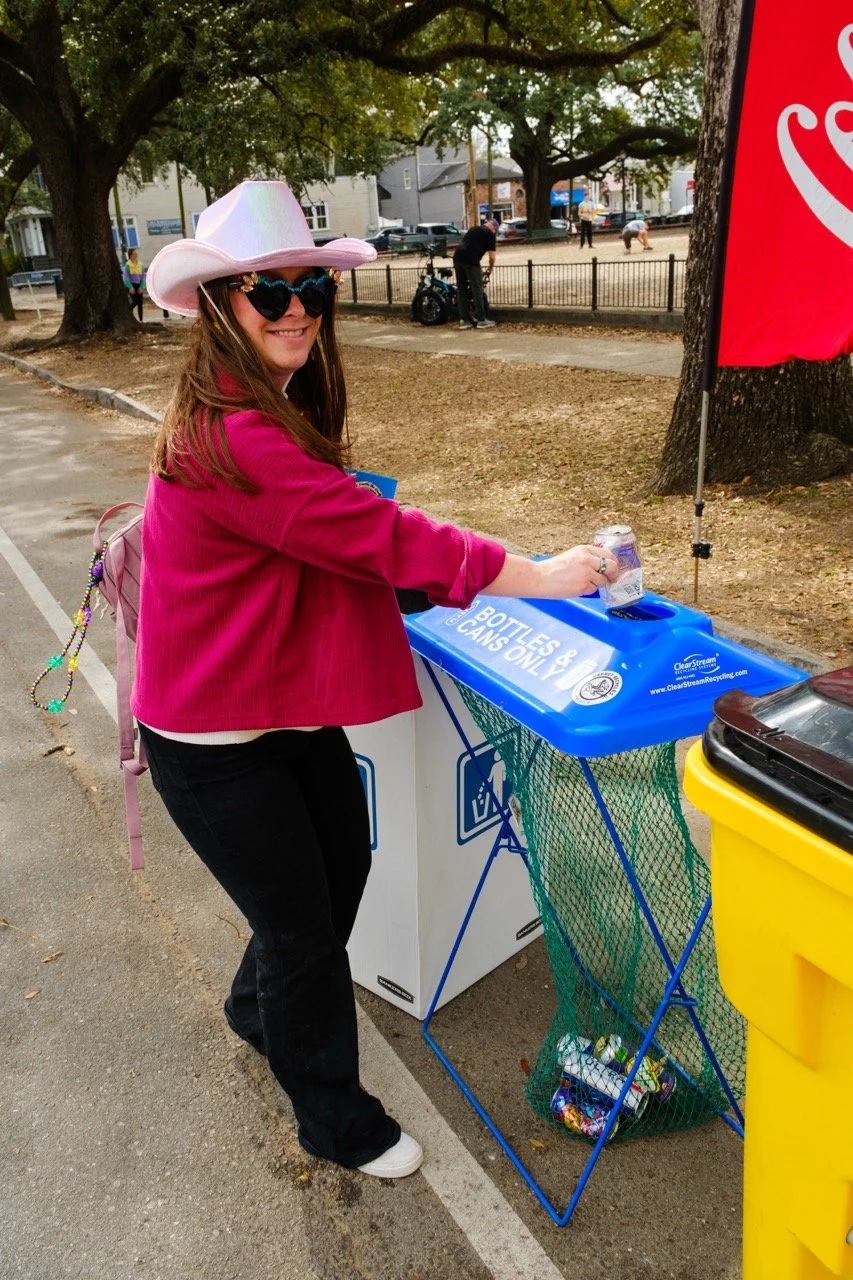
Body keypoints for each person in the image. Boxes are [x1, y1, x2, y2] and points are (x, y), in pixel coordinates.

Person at [136, 181, 618, 1182]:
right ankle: (335, 1119)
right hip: (208, 741)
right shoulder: (233, 435)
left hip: (263, 708)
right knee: (305, 929)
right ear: (224, 304)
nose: (300, 307)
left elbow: (337, 535)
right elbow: (385, 537)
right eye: (273, 292)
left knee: (339, 863)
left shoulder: (253, 411)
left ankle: (254, 1005)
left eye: (312, 286)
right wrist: (547, 573)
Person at [452, 218, 498, 330]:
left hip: (458, 258)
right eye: (495, 231)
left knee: (461, 289)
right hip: (471, 261)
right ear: (494, 228)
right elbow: (492, 257)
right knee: (477, 288)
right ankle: (481, 320)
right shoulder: (490, 234)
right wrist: (490, 268)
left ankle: (464, 321)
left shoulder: (474, 228)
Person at [122, 247, 146, 320]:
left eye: (136, 254)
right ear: (130, 255)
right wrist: (130, 287)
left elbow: (143, 276)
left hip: (139, 285)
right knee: (135, 301)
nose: (135, 256)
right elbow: (126, 277)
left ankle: (141, 320)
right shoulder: (127, 265)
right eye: (134, 254)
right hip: (131, 285)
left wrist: (141, 286)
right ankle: (128, 312)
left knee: (140, 304)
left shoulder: (140, 265)